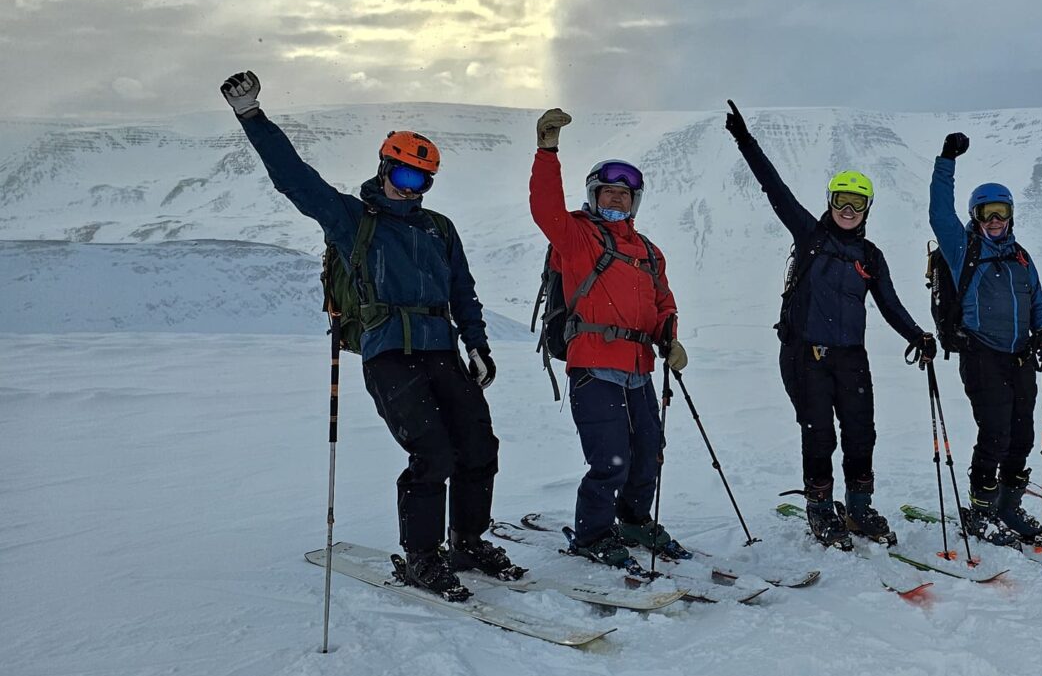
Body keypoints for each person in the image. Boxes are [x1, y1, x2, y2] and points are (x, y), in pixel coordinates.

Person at [219, 71, 518, 600]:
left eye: (420, 181)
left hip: (440, 350)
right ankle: (422, 558)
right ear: (384, 169)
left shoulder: (439, 229)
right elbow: (294, 179)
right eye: (403, 177)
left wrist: (477, 344)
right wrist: (252, 116)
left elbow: (462, 290)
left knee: (478, 445)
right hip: (388, 354)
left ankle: (467, 543)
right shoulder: (351, 218)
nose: (411, 189)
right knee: (433, 454)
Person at [724, 101, 936, 549]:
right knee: (819, 433)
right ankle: (821, 508)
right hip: (807, 355)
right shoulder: (810, 236)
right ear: (831, 202)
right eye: (842, 200)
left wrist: (917, 335)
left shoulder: (870, 256)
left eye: (857, 203)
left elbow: (890, 304)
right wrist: (746, 141)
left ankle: (858, 507)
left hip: (850, 358)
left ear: (867, 209)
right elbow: (774, 189)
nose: (848, 209)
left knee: (861, 432)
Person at [529, 108, 689, 569]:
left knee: (649, 455)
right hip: (593, 366)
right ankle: (593, 534)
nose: (616, 200)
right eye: (608, 193)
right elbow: (545, 209)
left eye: (624, 195)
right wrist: (547, 152)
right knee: (611, 460)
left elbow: (663, 303)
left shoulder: (649, 251)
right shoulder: (577, 236)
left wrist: (670, 336)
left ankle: (635, 519)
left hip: (639, 369)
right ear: (594, 196)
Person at [928, 131, 1042, 546]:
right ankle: (981, 511)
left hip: (1021, 357)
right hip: (981, 354)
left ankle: (1008, 506)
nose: (995, 220)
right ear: (976, 217)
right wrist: (946, 160)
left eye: (1001, 212)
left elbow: (1036, 298)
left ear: (1011, 215)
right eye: (987, 213)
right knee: (996, 430)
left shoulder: (1021, 257)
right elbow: (938, 212)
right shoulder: (963, 249)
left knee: (1022, 435)